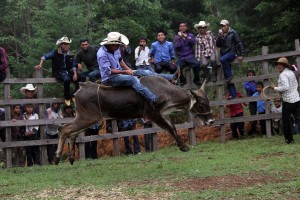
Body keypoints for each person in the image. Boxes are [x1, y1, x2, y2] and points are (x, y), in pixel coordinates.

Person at [97, 32, 167, 110]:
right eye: (118, 45)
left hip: (120, 72)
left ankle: (170, 78)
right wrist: (125, 72)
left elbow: (120, 61)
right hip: (110, 78)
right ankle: (153, 100)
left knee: (146, 72)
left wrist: (129, 70)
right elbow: (109, 71)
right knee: (133, 80)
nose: (119, 47)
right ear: (112, 45)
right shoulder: (102, 54)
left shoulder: (115, 48)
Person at [34, 36, 85, 106]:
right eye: (64, 44)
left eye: (67, 44)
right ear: (61, 45)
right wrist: (40, 64)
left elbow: (73, 65)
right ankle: (67, 97)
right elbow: (45, 57)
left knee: (82, 78)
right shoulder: (55, 52)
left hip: (67, 71)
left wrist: (75, 74)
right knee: (67, 79)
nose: (66, 45)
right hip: (58, 71)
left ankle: (74, 94)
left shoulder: (70, 54)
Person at [270, 57, 300, 144]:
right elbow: (295, 85)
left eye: (280, 65)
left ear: (284, 65)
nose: (278, 66)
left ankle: (289, 140)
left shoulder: (283, 75)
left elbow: (286, 87)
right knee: (299, 119)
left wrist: (274, 88)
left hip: (288, 101)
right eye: (278, 65)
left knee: (286, 121)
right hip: (297, 99)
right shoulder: (290, 72)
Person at [216, 19, 245, 98]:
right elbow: (217, 45)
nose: (223, 27)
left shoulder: (233, 32)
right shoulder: (221, 34)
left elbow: (239, 43)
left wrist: (242, 54)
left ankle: (229, 77)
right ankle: (234, 95)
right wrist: (219, 37)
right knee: (227, 76)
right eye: (221, 26)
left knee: (222, 61)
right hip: (224, 54)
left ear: (227, 25)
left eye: (224, 26)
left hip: (232, 53)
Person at [45, 100, 63, 164]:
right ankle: (51, 161)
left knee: (56, 146)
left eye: (57, 104)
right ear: (52, 104)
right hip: (48, 131)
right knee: (50, 147)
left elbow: (61, 120)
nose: (56, 105)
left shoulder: (59, 111)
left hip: (56, 131)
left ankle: (56, 161)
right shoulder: (48, 111)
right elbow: (48, 121)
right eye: (54, 104)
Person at [244, 70, 257, 136]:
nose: (251, 76)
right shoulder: (246, 84)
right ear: (247, 76)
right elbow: (254, 90)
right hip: (251, 102)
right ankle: (253, 131)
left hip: (258, 101)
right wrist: (257, 87)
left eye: (252, 75)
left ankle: (262, 130)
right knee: (253, 115)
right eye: (249, 75)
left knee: (261, 114)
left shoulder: (256, 83)